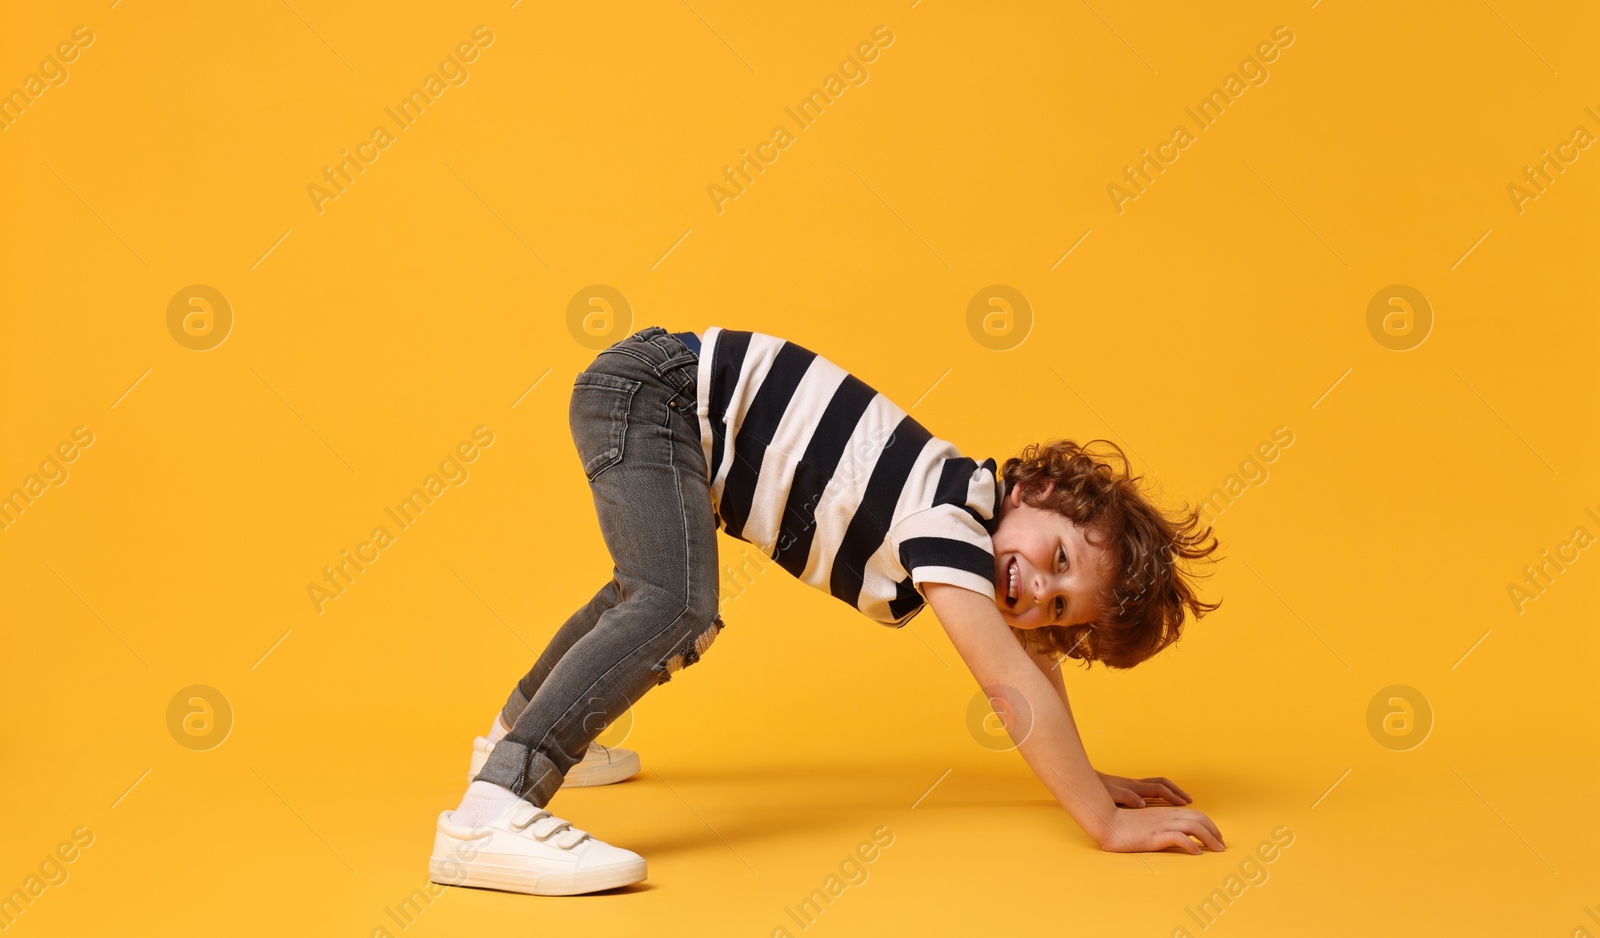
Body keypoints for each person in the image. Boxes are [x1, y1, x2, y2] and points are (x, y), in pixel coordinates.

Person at [428, 325, 1225, 896]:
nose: (1034, 590)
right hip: (655, 393)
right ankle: (492, 810)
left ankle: (513, 737)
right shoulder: (949, 517)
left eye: (1056, 604)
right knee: (675, 604)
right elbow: (1010, 685)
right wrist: (1102, 821)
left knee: (648, 591)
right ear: (1038, 492)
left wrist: (1085, 776)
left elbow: (1037, 664)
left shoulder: (971, 517)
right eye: (1056, 558)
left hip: (655, 394)